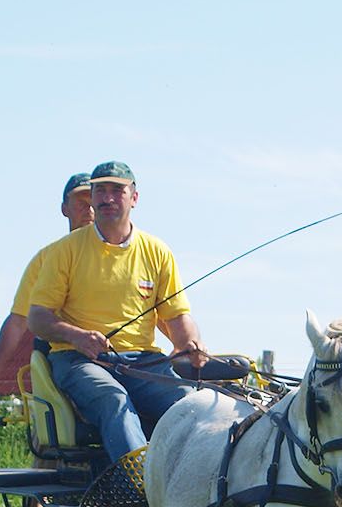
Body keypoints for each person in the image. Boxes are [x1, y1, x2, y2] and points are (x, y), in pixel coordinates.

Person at [28, 160, 210, 461]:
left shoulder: (157, 251)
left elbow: (178, 318)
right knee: (115, 400)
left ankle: (194, 488)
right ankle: (138, 490)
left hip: (143, 363)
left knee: (189, 405)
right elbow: (37, 318)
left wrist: (191, 344)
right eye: (100, 190)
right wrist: (77, 337)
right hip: (79, 361)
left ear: (134, 198)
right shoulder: (65, 251)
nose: (107, 198)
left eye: (117, 190)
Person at [0, 172, 96, 398]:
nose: (88, 209)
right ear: (64, 208)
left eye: (93, 202)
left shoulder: (120, 253)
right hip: (65, 357)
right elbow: (18, 320)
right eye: (81, 202)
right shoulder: (46, 259)